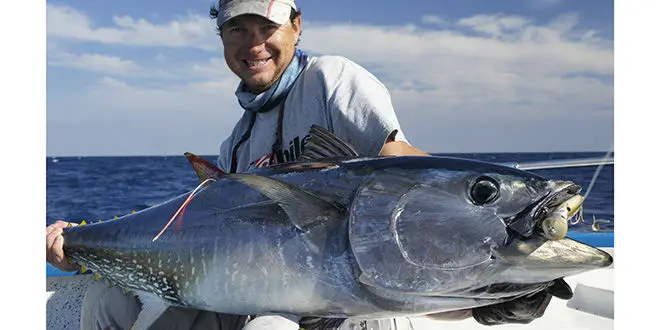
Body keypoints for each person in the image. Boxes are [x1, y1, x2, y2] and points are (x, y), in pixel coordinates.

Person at [46, 0, 570, 329]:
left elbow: (403, 168)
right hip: (260, 292)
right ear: (222, 38)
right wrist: (79, 246)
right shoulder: (239, 138)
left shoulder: (332, 81)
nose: (253, 44)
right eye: (237, 29)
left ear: (296, 26)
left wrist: (482, 236)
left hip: (340, 303)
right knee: (107, 307)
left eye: (266, 27)